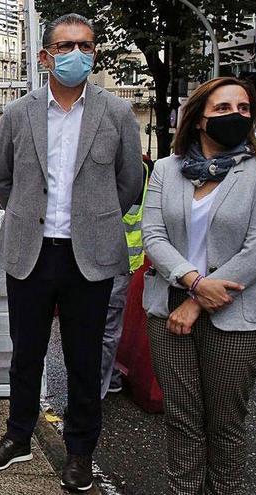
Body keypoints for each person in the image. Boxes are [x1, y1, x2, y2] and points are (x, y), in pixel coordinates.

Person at [0, 13, 143, 492]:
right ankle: (19, 436)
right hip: (31, 251)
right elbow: (1, 180)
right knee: (25, 352)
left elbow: (129, 185)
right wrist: (32, 215)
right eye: (67, 46)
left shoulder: (115, 113)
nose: (78, 55)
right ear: (45, 56)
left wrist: (92, 220)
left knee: (84, 357)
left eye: (87, 46)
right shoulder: (17, 113)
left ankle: (79, 451)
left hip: (89, 255)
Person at [141, 76, 256, 494]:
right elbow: (153, 235)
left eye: (243, 109)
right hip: (169, 305)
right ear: (198, 118)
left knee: (226, 425)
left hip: (237, 312)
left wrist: (197, 300)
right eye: (222, 108)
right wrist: (193, 282)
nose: (235, 116)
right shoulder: (166, 169)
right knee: (181, 419)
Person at [101, 154, 153, 398]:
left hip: (116, 259)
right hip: (112, 259)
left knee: (105, 328)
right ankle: (108, 377)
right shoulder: (138, 164)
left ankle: (96, 386)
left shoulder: (131, 166)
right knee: (104, 325)